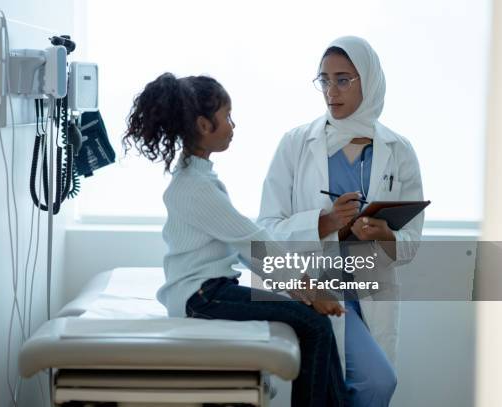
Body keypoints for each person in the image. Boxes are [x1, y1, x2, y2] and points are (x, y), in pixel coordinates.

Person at [123, 72, 347, 406]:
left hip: (209, 290)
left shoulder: (196, 177)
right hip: (201, 296)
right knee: (313, 325)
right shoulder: (196, 188)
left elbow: (245, 244)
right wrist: (309, 291)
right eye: (227, 117)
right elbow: (250, 241)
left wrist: (297, 285)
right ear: (202, 125)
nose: (232, 125)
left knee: (314, 323)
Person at [258, 36, 425, 407]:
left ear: (369, 80)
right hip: (317, 289)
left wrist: (387, 236)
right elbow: (265, 229)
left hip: (372, 289)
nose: (331, 91)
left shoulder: (399, 150)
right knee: (374, 383)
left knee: (356, 390)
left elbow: (412, 239)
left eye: (343, 79)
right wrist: (325, 222)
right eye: (324, 79)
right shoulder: (296, 144)